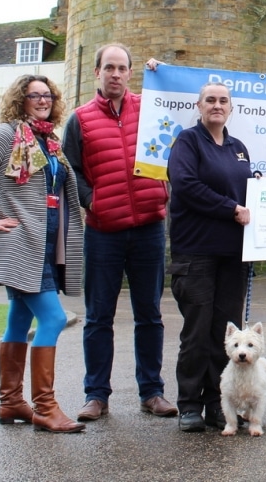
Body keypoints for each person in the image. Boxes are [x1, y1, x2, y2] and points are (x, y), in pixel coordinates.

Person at [0, 74, 85, 433]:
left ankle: (10, 403)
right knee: (53, 320)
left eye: (48, 96)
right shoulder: (7, 135)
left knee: (19, 320)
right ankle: (45, 407)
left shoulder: (49, 141)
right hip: (21, 243)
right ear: (20, 100)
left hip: (47, 241)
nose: (42, 101)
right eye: (33, 95)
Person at [63, 43, 177, 421]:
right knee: (99, 317)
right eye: (108, 67)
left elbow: (194, 103)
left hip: (147, 227)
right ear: (97, 72)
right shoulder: (80, 120)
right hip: (102, 231)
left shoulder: (151, 106)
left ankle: (152, 392)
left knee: (150, 315)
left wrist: (168, 74)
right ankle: (96, 395)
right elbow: (72, 170)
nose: (115, 74)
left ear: (131, 73)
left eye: (122, 68)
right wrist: (90, 200)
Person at [167, 81, 255, 432]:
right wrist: (230, 207)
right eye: (210, 100)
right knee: (197, 333)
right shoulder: (188, 142)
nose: (217, 105)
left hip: (234, 255)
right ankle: (189, 404)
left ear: (231, 108)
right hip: (197, 252)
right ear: (199, 106)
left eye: (223, 101)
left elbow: (247, 190)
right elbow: (186, 186)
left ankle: (218, 406)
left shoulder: (238, 147)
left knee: (226, 335)